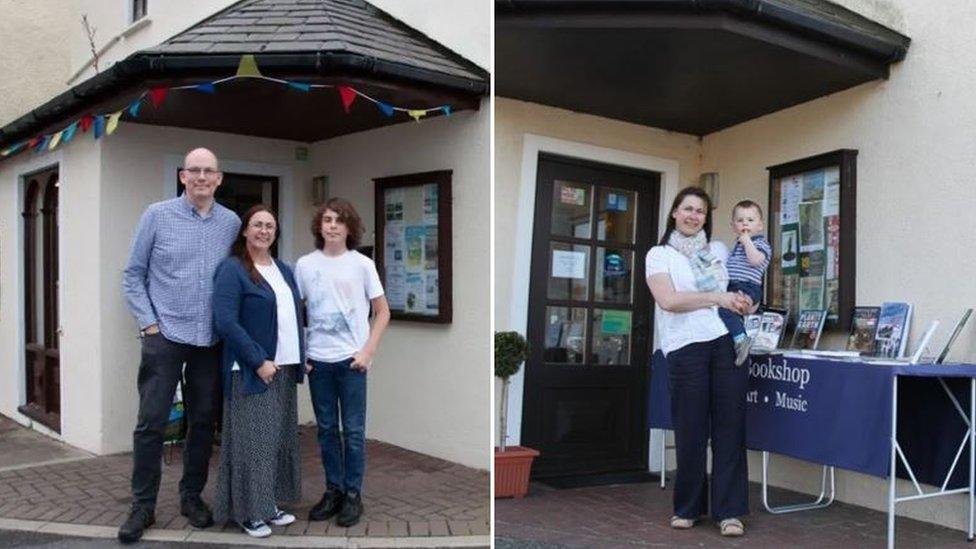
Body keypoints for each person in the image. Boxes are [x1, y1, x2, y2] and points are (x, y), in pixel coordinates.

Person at [119, 148, 240, 543]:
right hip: (166, 335)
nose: (202, 177)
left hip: (210, 340)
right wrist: (149, 324)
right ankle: (143, 506)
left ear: (219, 179)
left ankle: (191, 497)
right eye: (195, 170)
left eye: (209, 171)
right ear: (182, 176)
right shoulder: (157, 215)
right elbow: (133, 275)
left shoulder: (231, 223)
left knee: (203, 421)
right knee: (151, 422)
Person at [645, 186, 753, 537]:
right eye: (688, 209)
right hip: (685, 346)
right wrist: (716, 297)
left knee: (729, 428)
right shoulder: (660, 255)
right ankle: (688, 507)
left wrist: (739, 302)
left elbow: (735, 288)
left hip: (725, 342)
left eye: (701, 212)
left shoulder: (718, 250)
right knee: (691, 429)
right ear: (674, 212)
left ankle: (730, 512)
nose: (694, 216)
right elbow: (669, 300)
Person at [296, 198, 390, 528]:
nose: (333, 225)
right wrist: (301, 354)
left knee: (352, 431)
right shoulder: (305, 265)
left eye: (339, 220)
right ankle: (332, 490)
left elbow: (382, 311)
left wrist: (367, 352)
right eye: (327, 220)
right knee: (326, 431)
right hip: (318, 363)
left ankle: (353, 495)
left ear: (350, 227)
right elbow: (297, 313)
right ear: (319, 226)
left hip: (351, 363)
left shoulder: (361, 264)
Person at [211, 205, 304, 538]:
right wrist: (257, 360)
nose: (264, 231)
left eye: (270, 226)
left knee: (276, 440)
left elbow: (292, 316)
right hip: (252, 370)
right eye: (257, 225)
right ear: (245, 231)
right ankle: (247, 512)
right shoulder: (232, 269)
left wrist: (300, 356)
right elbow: (225, 322)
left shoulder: (283, 269)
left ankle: (268, 504)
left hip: (284, 367)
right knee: (254, 443)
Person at [718, 200, 772, 365]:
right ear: (733, 226)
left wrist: (747, 241)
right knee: (723, 310)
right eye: (740, 221)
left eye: (750, 220)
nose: (745, 224)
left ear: (760, 225)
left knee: (726, 310)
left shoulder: (760, 243)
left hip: (748, 286)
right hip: (733, 285)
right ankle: (739, 337)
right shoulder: (736, 245)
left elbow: (756, 260)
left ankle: (741, 339)